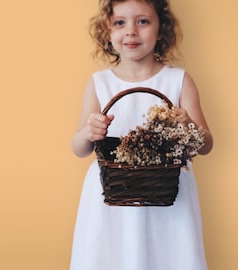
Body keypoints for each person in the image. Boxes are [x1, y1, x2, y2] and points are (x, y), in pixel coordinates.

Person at [70, 0, 213, 269]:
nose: (131, 31)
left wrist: (189, 127)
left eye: (143, 21)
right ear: (107, 32)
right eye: (120, 22)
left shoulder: (178, 80)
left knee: (169, 255)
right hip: (111, 198)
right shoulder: (99, 83)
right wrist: (89, 131)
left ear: (161, 30)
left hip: (168, 196)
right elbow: (79, 148)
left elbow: (206, 144)